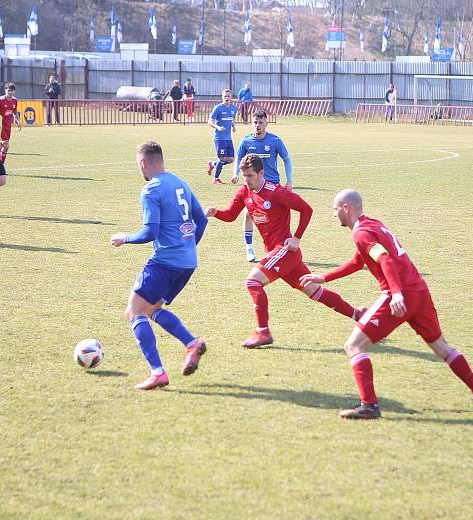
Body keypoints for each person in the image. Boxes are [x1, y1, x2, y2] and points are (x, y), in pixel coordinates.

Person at [300, 189, 473, 420]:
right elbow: (358, 261)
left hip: (401, 294)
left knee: (353, 346)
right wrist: (324, 278)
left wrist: (396, 294)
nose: (334, 215)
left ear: (346, 208)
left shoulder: (361, 233)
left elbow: (385, 259)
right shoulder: (373, 225)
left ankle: (369, 405)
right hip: (420, 292)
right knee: (441, 347)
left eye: (335, 209)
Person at [205, 155, 361, 349]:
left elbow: (306, 209)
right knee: (314, 290)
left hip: (285, 251)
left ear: (261, 174)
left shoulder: (276, 192)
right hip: (277, 254)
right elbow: (230, 215)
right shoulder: (244, 192)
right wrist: (216, 213)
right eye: (244, 176)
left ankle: (263, 332)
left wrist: (297, 237)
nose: (246, 180)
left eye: (250, 176)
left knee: (253, 282)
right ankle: (359, 315)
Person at [110, 141, 208, 390]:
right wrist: (188, 246)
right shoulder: (180, 183)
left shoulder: (151, 190)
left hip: (165, 262)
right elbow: (201, 220)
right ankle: (192, 343)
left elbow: (149, 232)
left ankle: (157, 372)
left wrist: (125, 237)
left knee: (134, 312)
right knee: (152, 309)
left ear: (143, 163)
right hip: (187, 263)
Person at [232, 109, 293, 262]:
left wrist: (289, 180)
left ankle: (278, 247)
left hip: (272, 184)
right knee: (248, 214)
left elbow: (287, 159)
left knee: (276, 217)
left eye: (260, 122)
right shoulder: (246, 141)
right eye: (255, 123)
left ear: (266, 123)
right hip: (253, 185)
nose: (258, 125)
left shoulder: (275, 140)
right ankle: (249, 248)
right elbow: (239, 157)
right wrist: (236, 174)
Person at [206, 89, 238, 185]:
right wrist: (217, 127)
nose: (227, 98)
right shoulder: (218, 108)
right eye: (225, 96)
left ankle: (213, 164)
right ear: (222, 97)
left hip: (228, 138)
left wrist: (233, 126)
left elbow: (232, 118)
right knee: (222, 158)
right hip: (219, 138)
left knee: (231, 159)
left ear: (231, 97)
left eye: (228, 96)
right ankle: (216, 179)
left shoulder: (234, 108)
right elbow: (210, 121)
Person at [0, 82, 21, 164]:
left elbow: (14, 111)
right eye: (8, 90)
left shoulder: (15, 100)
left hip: (8, 126)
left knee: (2, 146)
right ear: (5, 90)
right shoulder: (0, 100)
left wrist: (17, 120)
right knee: (6, 145)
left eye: (12, 91)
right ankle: (0, 166)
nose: (10, 92)